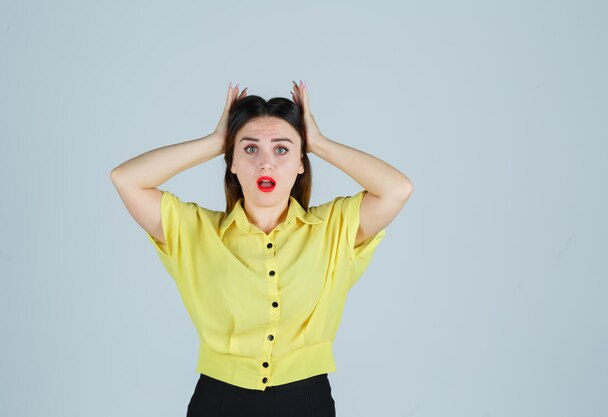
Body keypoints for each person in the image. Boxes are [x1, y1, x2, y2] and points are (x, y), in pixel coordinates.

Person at [110, 80, 413, 416]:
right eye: (250, 149)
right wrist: (214, 141)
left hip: (307, 401)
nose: (266, 164)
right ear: (232, 162)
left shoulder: (335, 228)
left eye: (282, 149)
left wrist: (320, 144)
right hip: (220, 400)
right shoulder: (194, 230)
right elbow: (127, 179)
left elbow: (397, 189)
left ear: (301, 161)